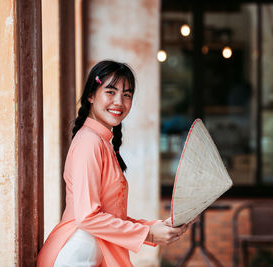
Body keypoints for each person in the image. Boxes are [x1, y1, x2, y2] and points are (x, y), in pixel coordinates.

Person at [37, 60, 187, 267]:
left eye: (127, 95)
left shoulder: (101, 142)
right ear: (91, 95)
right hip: (75, 256)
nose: (119, 102)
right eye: (110, 92)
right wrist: (148, 233)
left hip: (89, 253)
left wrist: (154, 227)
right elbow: (88, 217)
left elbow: (110, 216)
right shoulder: (89, 142)